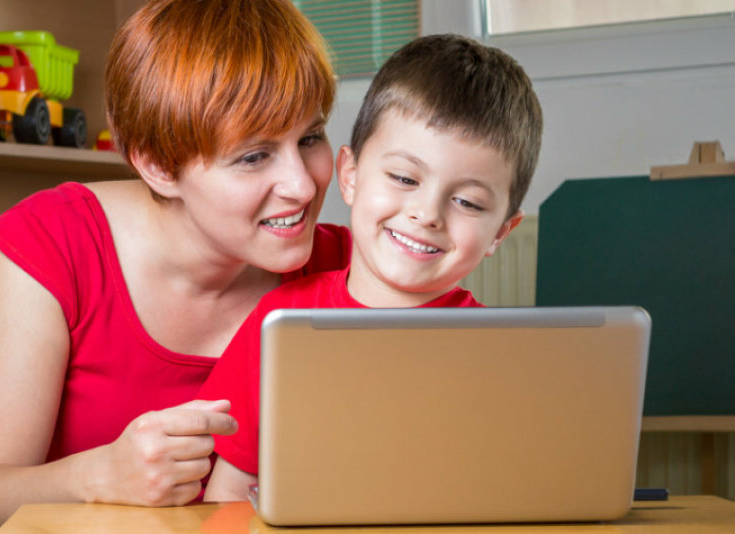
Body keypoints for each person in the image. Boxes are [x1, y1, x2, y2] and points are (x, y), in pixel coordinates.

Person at [0, 0, 352, 534]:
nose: (304, 185)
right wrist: (98, 475)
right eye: (254, 156)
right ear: (157, 165)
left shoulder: (353, 267)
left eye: (311, 137)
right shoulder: (53, 245)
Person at [203, 33, 543, 501]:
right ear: (350, 175)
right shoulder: (277, 325)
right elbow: (228, 494)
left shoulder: (500, 354)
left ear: (501, 234)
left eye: (467, 201)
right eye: (404, 178)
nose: (427, 213)